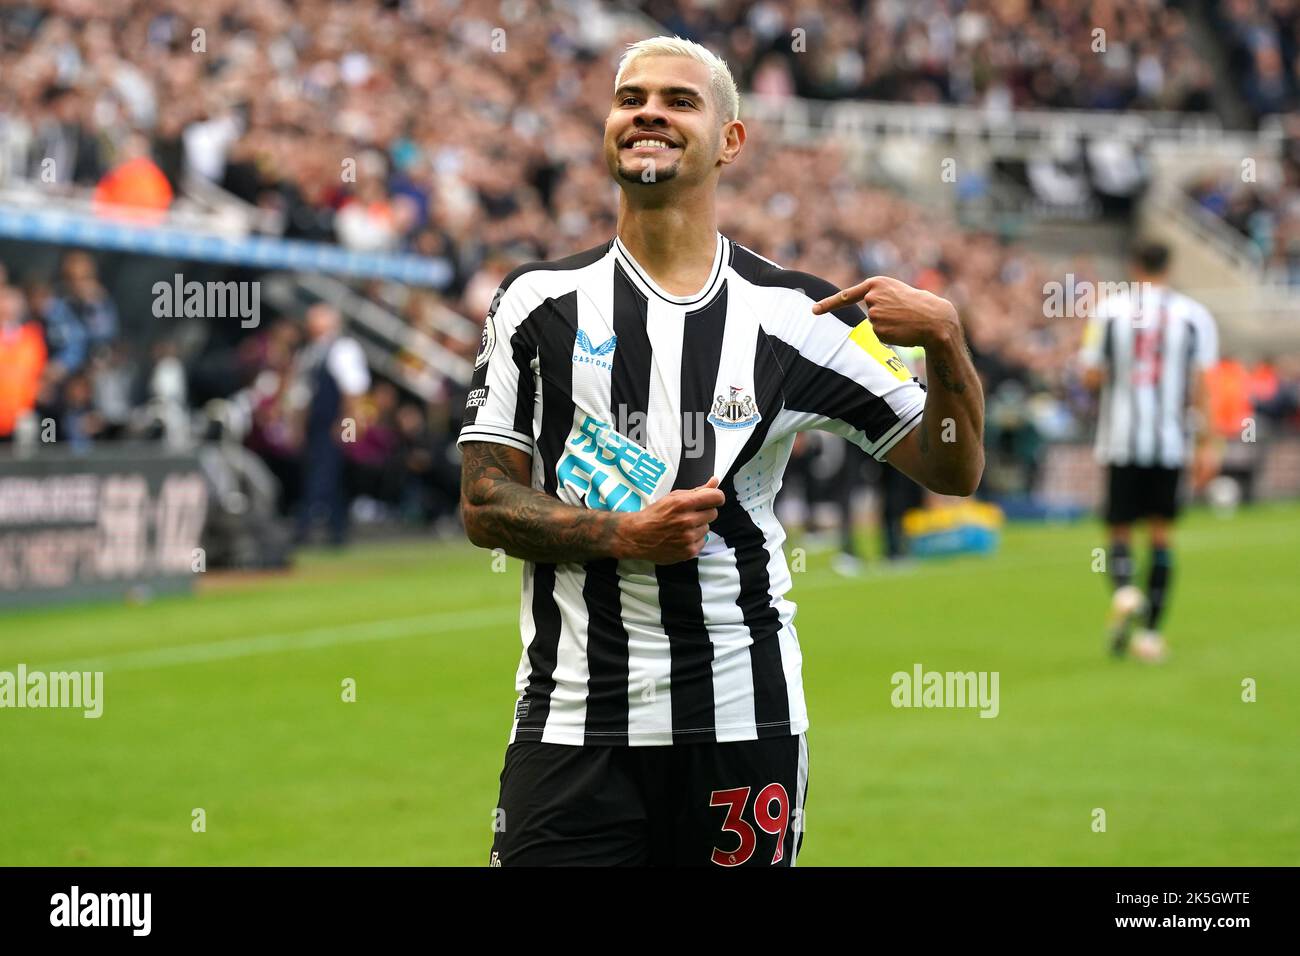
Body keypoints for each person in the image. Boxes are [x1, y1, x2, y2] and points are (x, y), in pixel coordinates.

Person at [457, 37, 984, 867]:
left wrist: (949, 347)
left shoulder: (799, 315)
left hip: (743, 719)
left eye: (678, 100)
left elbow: (952, 467)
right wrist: (624, 536)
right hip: (573, 723)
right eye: (630, 99)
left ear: (730, 141)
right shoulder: (537, 302)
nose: (648, 114)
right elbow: (485, 501)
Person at [1079, 241, 1220, 663]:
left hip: (1121, 438)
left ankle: (1124, 589)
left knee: (1118, 529)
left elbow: (1089, 376)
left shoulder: (1108, 312)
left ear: (1133, 264)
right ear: (1169, 266)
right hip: (1170, 441)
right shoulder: (1194, 316)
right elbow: (1202, 386)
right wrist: (1207, 445)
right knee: (1161, 535)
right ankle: (1151, 635)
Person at [293, 303, 371, 546]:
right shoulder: (310, 352)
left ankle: (306, 527)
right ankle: (337, 531)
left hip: (335, 422)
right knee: (328, 473)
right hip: (317, 423)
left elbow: (354, 389)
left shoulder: (344, 349)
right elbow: (303, 394)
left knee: (325, 472)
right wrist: (298, 426)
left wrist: (347, 425)